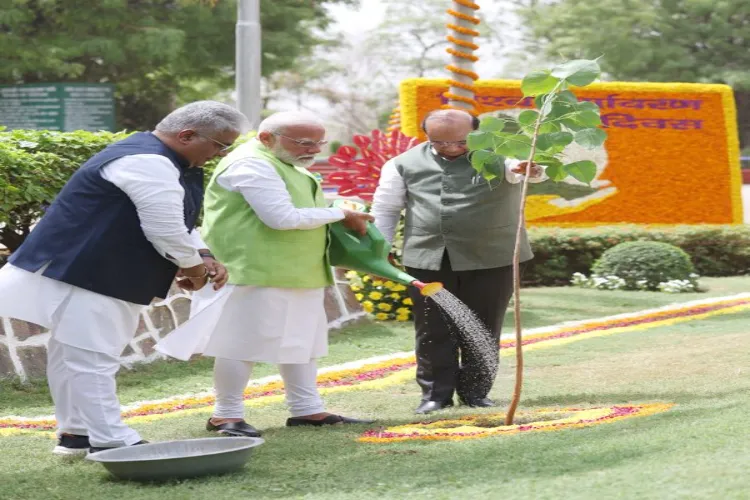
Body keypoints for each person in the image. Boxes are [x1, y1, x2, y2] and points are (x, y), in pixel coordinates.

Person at [0, 101, 248, 454]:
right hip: (91, 272)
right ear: (187, 135)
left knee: (73, 351)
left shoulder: (155, 156)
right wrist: (192, 267)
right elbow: (163, 227)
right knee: (93, 355)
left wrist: (203, 256)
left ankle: (77, 434)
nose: (221, 153)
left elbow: (178, 222)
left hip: (86, 269)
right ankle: (111, 440)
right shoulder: (148, 160)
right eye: (222, 145)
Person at [156, 111, 375, 437]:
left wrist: (336, 213)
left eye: (318, 142)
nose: (313, 149)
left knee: (303, 342)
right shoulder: (251, 163)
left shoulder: (286, 163)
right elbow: (280, 217)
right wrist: (341, 213)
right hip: (248, 270)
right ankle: (225, 415)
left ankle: (307, 409)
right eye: (303, 142)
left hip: (297, 269)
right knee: (238, 345)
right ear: (266, 138)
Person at [371, 109, 547, 414]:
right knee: (433, 328)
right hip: (428, 258)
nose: (451, 148)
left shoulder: (498, 157)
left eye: (461, 142)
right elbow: (386, 209)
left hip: (494, 257)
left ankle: (476, 392)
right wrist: (379, 250)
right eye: (440, 142)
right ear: (426, 134)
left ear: (476, 133)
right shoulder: (401, 164)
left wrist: (531, 170)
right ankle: (434, 396)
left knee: (483, 326)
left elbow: (524, 170)